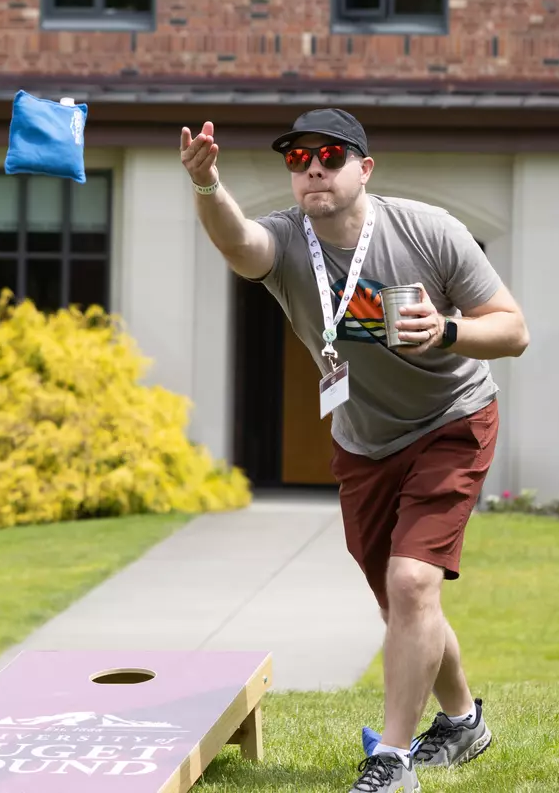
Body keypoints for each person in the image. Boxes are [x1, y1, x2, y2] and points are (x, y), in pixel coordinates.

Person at [179, 108, 529, 793]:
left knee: (412, 582)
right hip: (364, 439)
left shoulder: (428, 230)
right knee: (400, 602)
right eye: (299, 157)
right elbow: (239, 244)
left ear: (364, 168)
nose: (313, 167)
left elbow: (513, 330)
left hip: (452, 418)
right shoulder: (285, 239)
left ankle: (393, 762)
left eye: (330, 155)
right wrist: (205, 187)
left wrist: (450, 328)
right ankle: (461, 721)